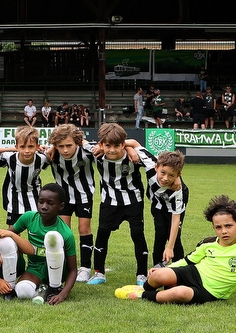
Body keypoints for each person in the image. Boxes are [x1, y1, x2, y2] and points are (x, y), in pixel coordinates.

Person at [124, 195, 236, 310]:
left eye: (228, 226)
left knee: (180, 294)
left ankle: (141, 295)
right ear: (214, 228)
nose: (223, 231)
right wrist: (166, 269)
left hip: (210, 291)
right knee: (159, 274)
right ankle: (144, 288)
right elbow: (189, 260)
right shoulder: (208, 242)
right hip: (194, 273)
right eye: (218, 227)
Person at [88, 123, 150, 287]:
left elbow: (154, 158)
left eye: (117, 145)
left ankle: (142, 274)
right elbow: (78, 142)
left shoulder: (134, 157)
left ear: (123, 144)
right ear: (101, 144)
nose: (112, 150)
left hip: (133, 201)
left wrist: (132, 147)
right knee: (102, 233)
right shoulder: (97, 154)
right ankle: (99, 273)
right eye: (108, 145)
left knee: (137, 234)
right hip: (109, 202)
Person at [6, 183, 78, 305]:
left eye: (50, 203)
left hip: (57, 272)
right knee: (23, 291)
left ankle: (55, 288)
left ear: (61, 206)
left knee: (52, 237)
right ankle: (40, 290)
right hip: (35, 270)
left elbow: (73, 270)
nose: (44, 206)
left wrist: (63, 294)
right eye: (41, 202)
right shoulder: (29, 217)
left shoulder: (66, 233)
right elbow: (7, 234)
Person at [46, 124, 97, 282]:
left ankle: (85, 268)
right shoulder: (51, 154)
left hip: (84, 195)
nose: (65, 150)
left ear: (77, 143)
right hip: (63, 198)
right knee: (64, 232)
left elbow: (105, 147)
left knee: (84, 229)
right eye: (61, 146)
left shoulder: (87, 153)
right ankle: (65, 265)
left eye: (69, 145)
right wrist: (51, 147)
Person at [0, 125, 50, 225]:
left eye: (31, 146)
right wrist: (1, 150)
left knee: (35, 231)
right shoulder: (9, 157)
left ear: (37, 146)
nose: (27, 151)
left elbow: (58, 149)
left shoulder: (43, 158)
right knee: (12, 233)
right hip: (13, 198)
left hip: (35, 198)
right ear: (16, 147)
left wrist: (48, 149)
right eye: (22, 147)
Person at [143, 150, 189, 266]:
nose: (165, 178)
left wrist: (170, 247)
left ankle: (178, 272)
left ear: (178, 175)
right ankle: (157, 270)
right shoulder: (149, 164)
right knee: (160, 234)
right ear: (156, 167)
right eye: (163, 172)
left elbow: (175, 219)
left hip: (173, 209)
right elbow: (133, 143)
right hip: (158, 205)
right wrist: (129, 150)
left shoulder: (179, 191)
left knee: (174, 239)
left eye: (172, 175)